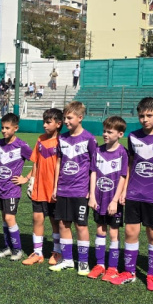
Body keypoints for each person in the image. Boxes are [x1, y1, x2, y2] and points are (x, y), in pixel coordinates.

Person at [115, 97, 153, 288]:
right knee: (131, 232)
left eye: (149, 115)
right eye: (141, 116)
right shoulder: (133, 136)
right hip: (134, 194)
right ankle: (129, 272)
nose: (145, 119)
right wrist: (124, 190)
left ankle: (152, 275)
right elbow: (130, 164)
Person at [50, 101, 99, 275]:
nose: (66, 121)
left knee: (81, 225)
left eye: (69, 118)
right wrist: (56, 186)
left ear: (80, 117)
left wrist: (91, 192)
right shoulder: (61, 138)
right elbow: (58, 162)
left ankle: (84, 262)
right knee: (63, 224)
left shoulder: (90, 139)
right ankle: (68, 260)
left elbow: (95, 166)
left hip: (80, 190)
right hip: (63, 189)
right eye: (65, 118)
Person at [87, 116, 129, 280]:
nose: (105, 134)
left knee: (113, 233)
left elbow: (123, 177)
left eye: (109, 132)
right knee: (99, 230)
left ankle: (112, 267)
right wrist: (92, 196)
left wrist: (114, 200)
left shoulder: (122, 153)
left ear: (120, 134)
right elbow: (93, 173)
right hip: (98, 197)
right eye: (104, 131)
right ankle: (100, 264)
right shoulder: (98, 151)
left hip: (113, 199)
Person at [22, 108, 64, 265]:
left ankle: (57, 251)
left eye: (48, 122)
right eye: (44, 122)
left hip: (53, 189)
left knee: (55, 221)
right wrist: (29, 179)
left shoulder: (62, 141)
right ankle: (38, 253)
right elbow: (36, 162)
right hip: (39, 187)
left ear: (59, 124)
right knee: (37, 218)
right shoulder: (40, 139)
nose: (45, 125)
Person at [0, 113, 34, 261]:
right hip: (0, 187)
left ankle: (18, 250)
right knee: (4, 217)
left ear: (15, 128)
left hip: (13, 189)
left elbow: (37, 161)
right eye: (2, 128)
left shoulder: (22, 145)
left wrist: (26, 178)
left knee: (10, 218)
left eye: (7, 128)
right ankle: (7, 247)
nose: (4, 130)